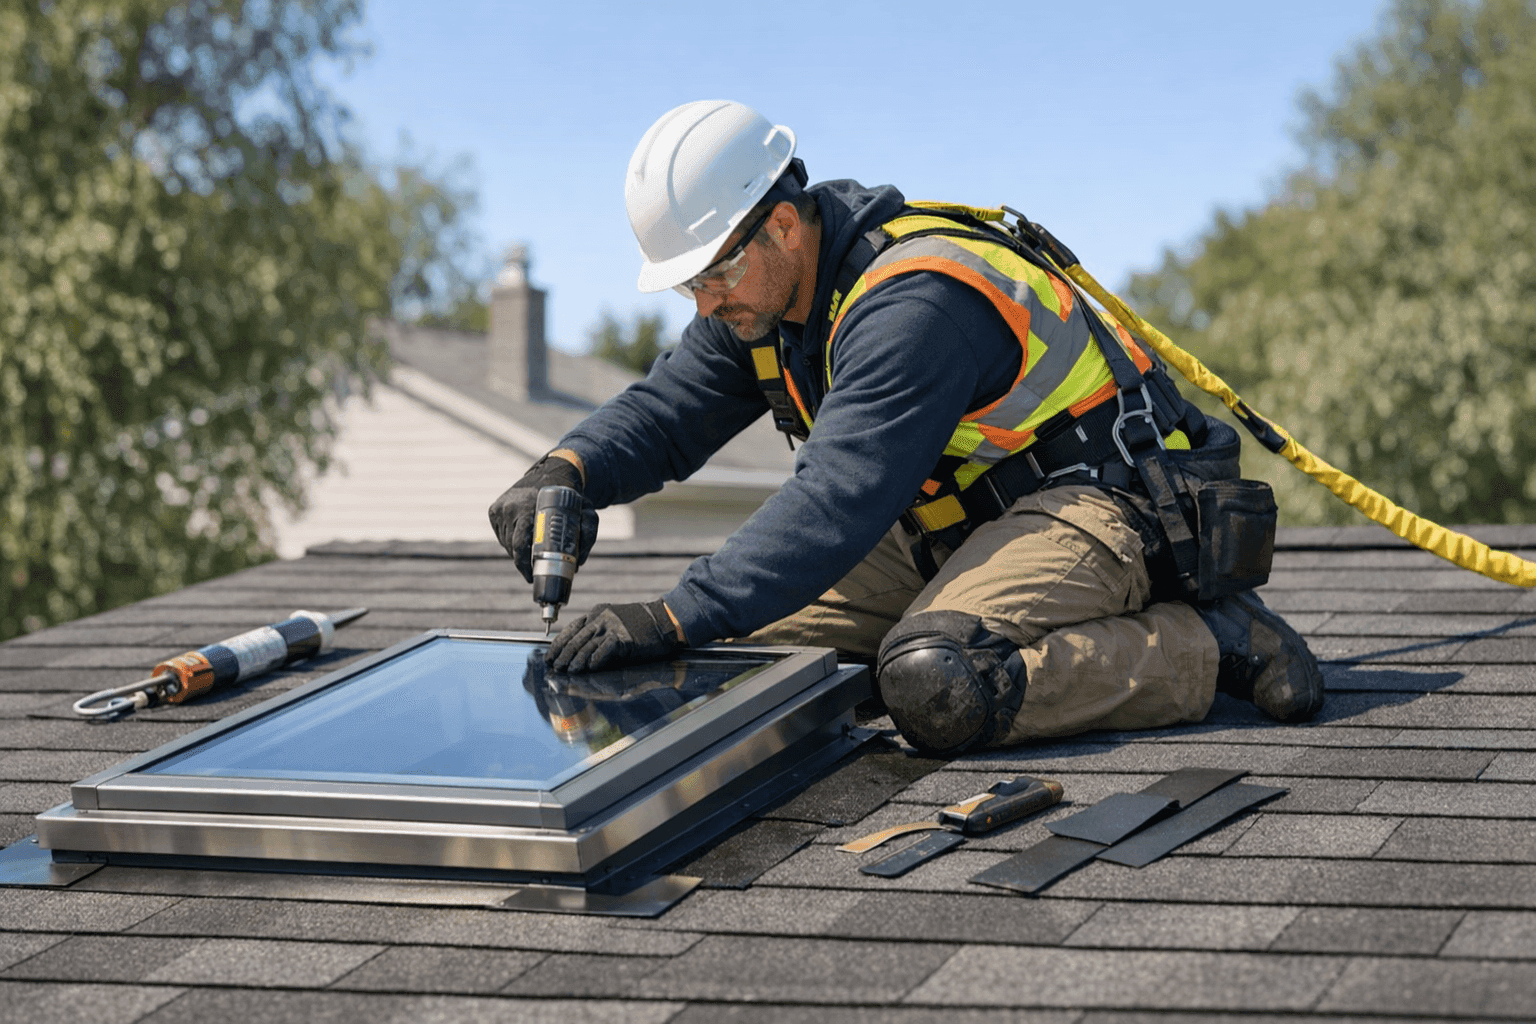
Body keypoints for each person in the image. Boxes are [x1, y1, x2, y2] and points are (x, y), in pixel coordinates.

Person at [489, 99, 1324, 756]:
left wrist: (671, 613)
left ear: (783, 224)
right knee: (738, 665)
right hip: (962, 525)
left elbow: (836, 503)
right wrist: (564, 471)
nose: (705, 305)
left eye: (713, 277)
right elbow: (665, 416)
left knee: (935, 681)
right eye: (688, 288)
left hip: (1106, 508)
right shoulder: (761, 302)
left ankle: (1204, 646)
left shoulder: (913, 302)